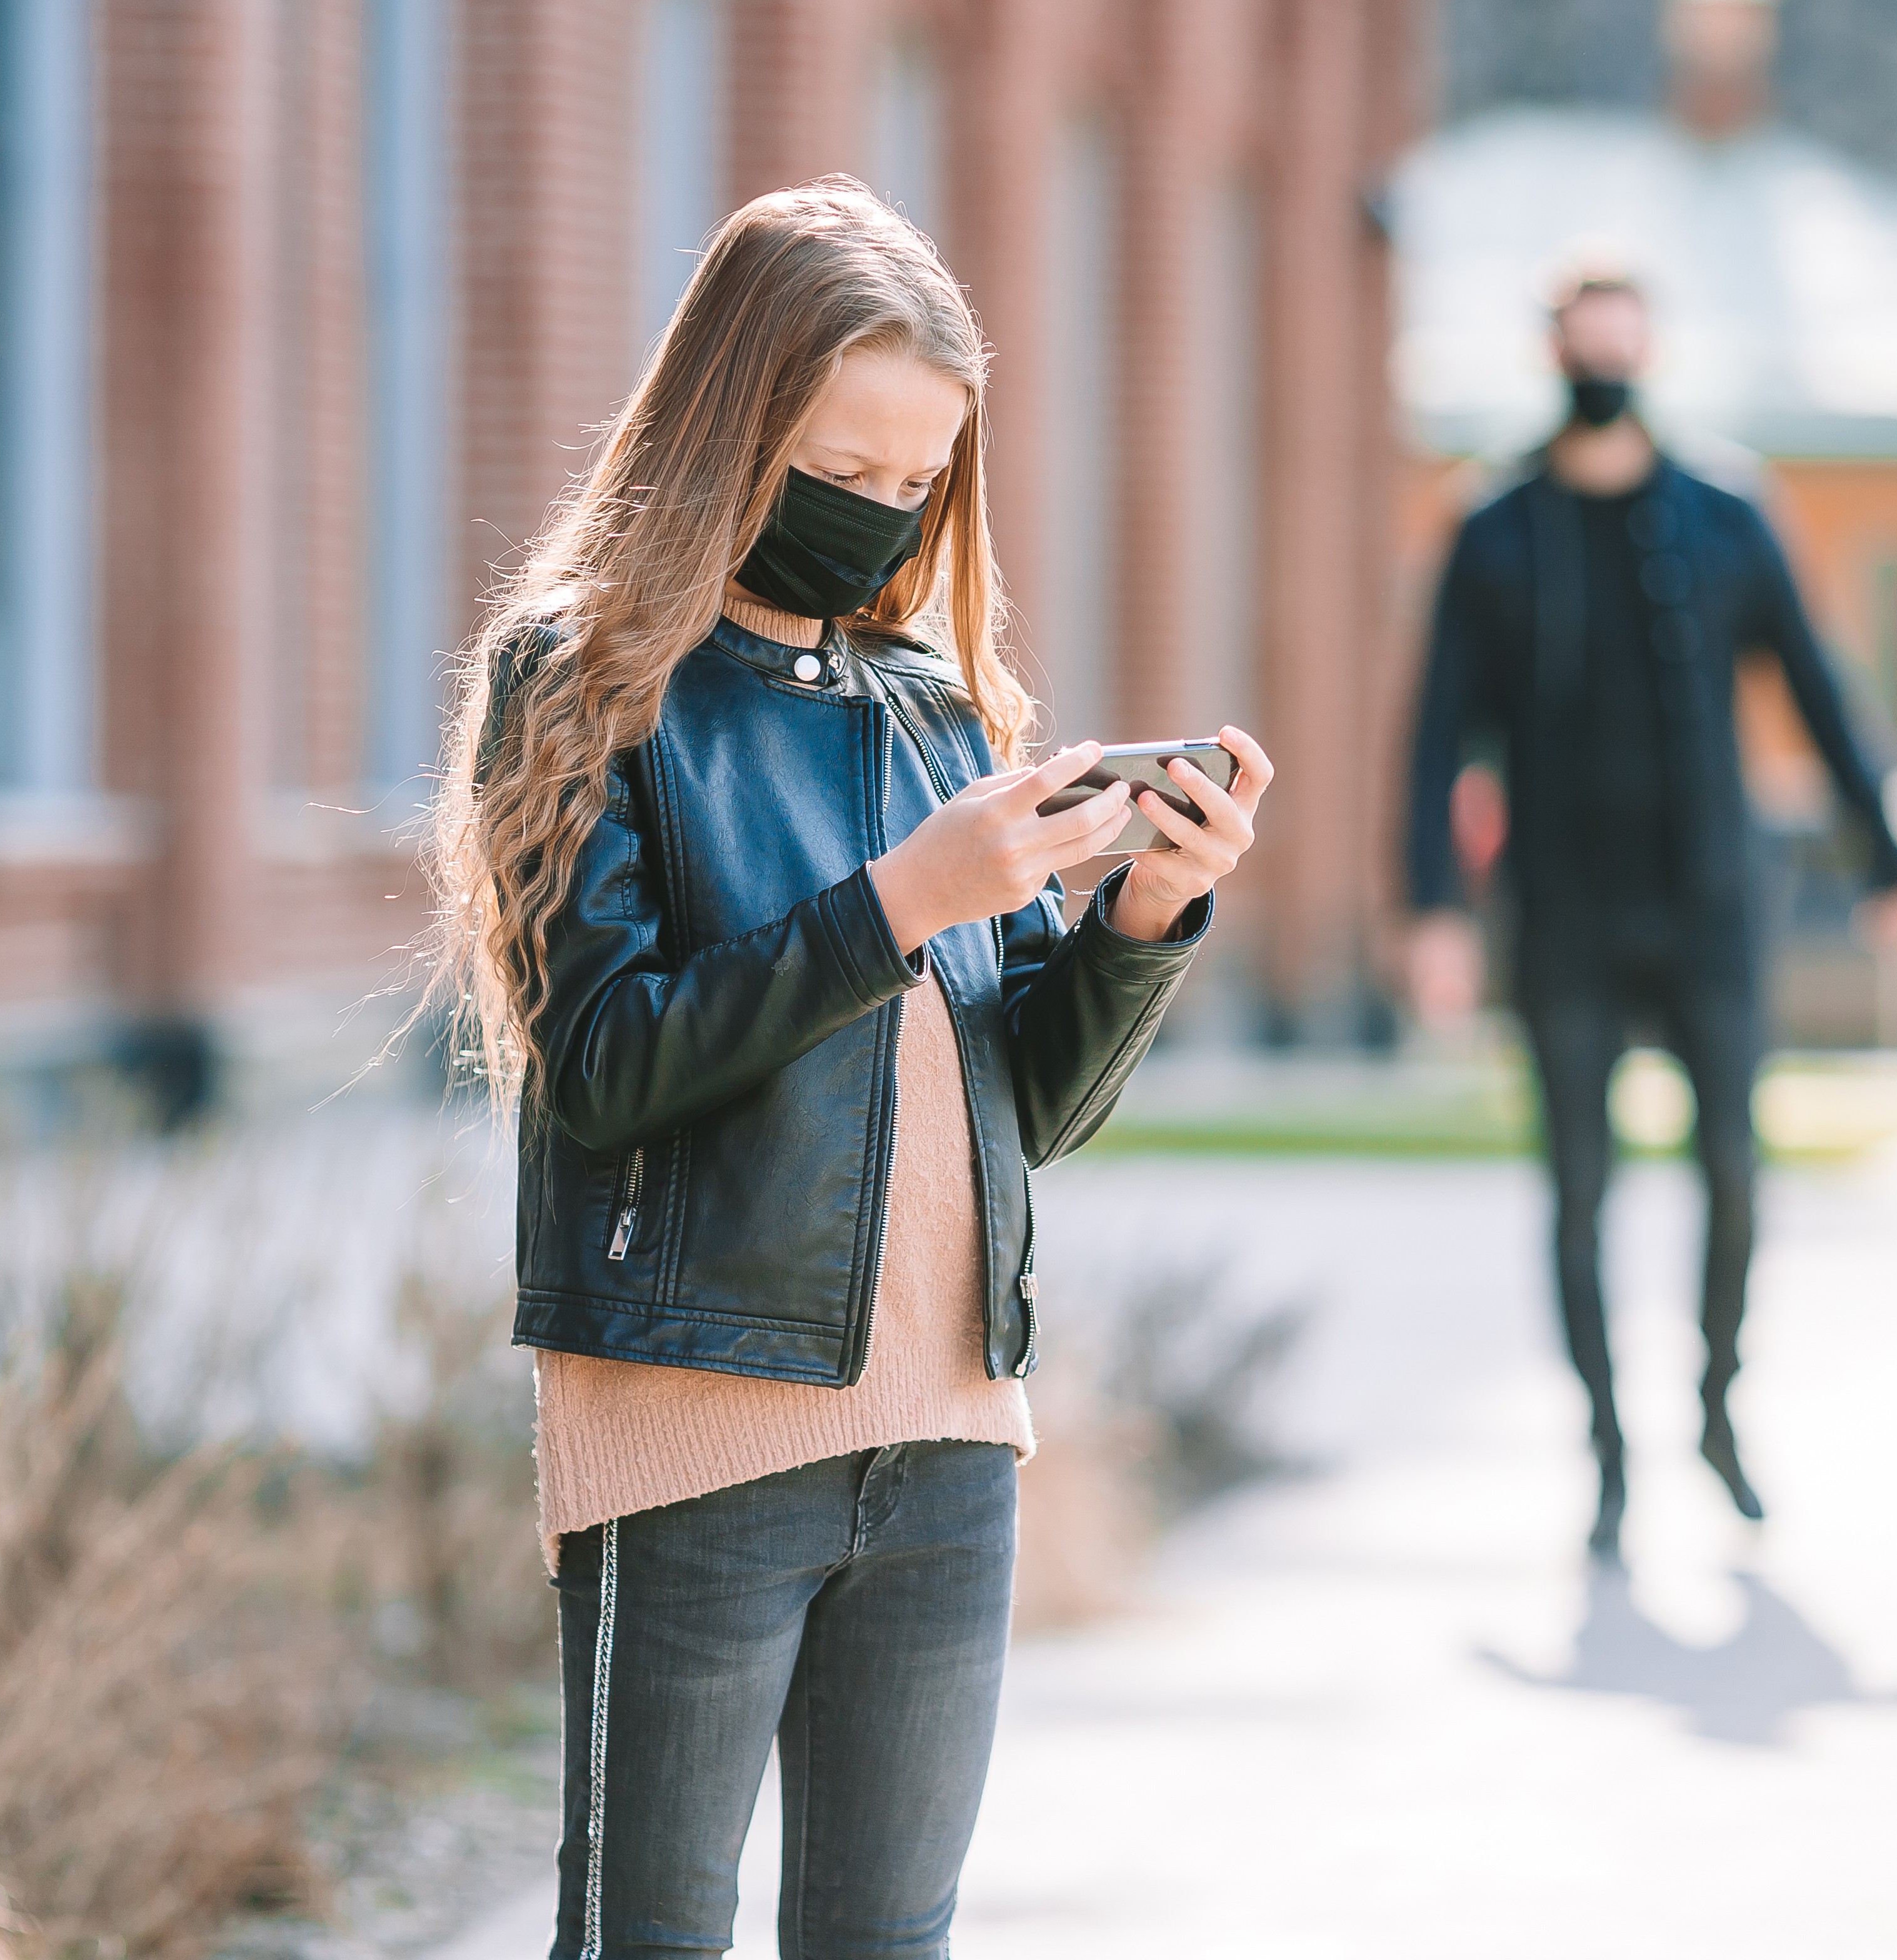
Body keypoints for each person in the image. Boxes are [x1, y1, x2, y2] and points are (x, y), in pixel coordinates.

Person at [429, 177, 1273, 1959]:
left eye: (919, 484)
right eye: (846, 469)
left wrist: (1143, 918)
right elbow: (598, 1065)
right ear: (737, 427)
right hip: (696, 1428)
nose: (885, 518)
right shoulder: (585, 681)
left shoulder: (933, 708)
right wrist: (901, 901)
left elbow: (1025, 1108)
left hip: (953, 1441)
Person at [1403, 266, 1897, 1561]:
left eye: (1624, 336)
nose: (1604, 357)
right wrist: (1431, 910)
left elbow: (1824, 696)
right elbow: (1436, 733)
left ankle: (1717, 1408)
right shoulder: (1493, 528)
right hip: (1563, 913)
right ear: (1552, 348)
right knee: (1581, 1190)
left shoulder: (1726, 512)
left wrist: (1895, 867)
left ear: (1651, 347)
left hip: (1711, 905)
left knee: (1732, 1168)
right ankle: (1606, 1452)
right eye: (1582, 337)